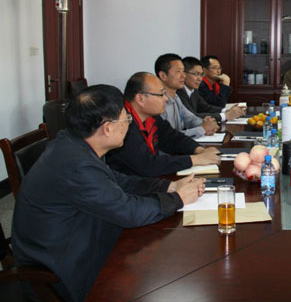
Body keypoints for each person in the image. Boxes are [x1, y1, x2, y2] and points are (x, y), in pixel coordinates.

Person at [11, 85, 206, 302]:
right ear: (107, 128)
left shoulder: (74, 142)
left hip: (81, 236)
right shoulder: (76, 164)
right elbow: (129, 212)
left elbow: (118, 180)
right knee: (160, 270)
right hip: (64, 267)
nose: (129, 125)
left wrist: (168, 187)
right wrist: (178, 199)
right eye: (126, 120)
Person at [106, 72, 221, 177]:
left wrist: (199, 150)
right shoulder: (123, 124)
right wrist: (196, 159)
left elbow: (173, 138)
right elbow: (147, 165)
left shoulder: (151, 117)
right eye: (161, 94)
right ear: (140, 98)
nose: (166, 99)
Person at [155, 53, 219, 138]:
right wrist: (202, 129)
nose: (183, 75)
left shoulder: (176, 97)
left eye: (183, 71)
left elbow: (190, 119)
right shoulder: (157, 102)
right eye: (178, 71)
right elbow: (168, 137)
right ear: (163, 75)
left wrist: (206, 123)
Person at [178, 56, 245, 122]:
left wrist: (227, 110)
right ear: (184, 74)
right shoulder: (179, 92)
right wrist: (226, 116)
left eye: (201, 74)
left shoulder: (194, 90)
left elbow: (206, 107)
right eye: (196, 74)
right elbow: (193, 116)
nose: (199, 79)